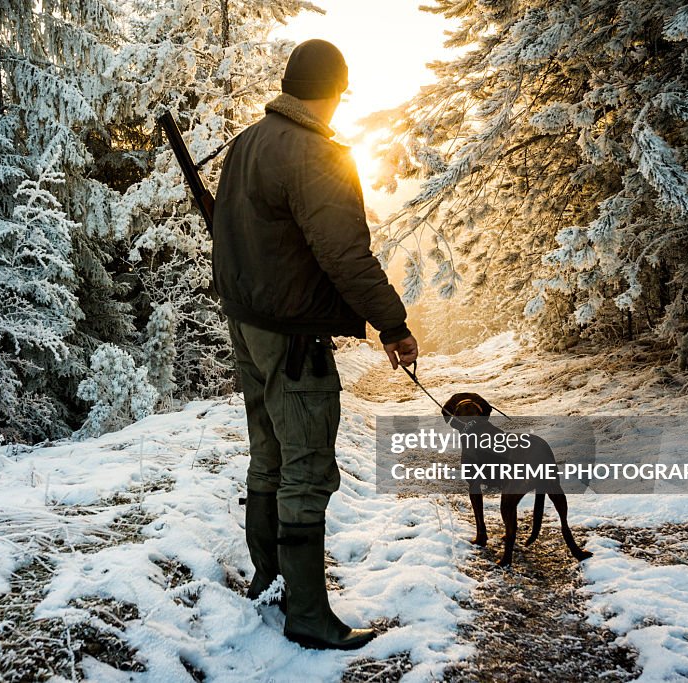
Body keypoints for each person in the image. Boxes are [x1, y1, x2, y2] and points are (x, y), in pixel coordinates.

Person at [212, 39, 419, 651]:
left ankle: (271, 581)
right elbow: (346, 256)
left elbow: (228, 231)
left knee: (268, 454)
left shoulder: (247, 142)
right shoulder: (316, 153)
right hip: (293, 335)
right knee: (307, 467)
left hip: (247, 324)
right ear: (333, 92)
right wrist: (393, 323)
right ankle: (305, 612)